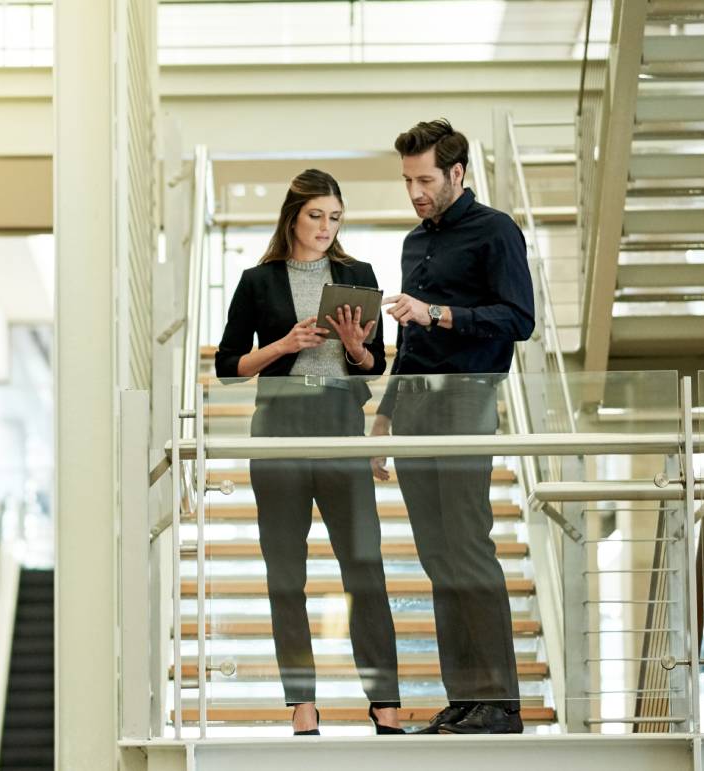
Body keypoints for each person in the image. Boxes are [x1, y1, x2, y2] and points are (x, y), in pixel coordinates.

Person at [214, 169, 402, 736]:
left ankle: (386, 704)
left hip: (340, 422)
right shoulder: (258, 281)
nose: (326, 227)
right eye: (316, 215)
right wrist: (284, 344)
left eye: (335, 217)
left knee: (365, 568)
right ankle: (303, 705)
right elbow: (227, 368)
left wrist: (355, 349)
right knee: (285, 576)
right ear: (293, 216)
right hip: (278, 429)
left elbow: (376, 364)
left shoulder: (357, 275)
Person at [375, 119, 536, 735]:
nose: (414, 191)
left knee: (469, 546)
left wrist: (437, 312)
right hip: (414, 407)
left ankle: (500, 701)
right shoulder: (415, 244)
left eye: (424, 179)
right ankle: (465, 699)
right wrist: (384, 416)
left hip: (468, 402)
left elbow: (518, 319)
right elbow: (407, 342)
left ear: (457, 174)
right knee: (437, 557)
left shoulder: (496, 231)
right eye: (407, 180)